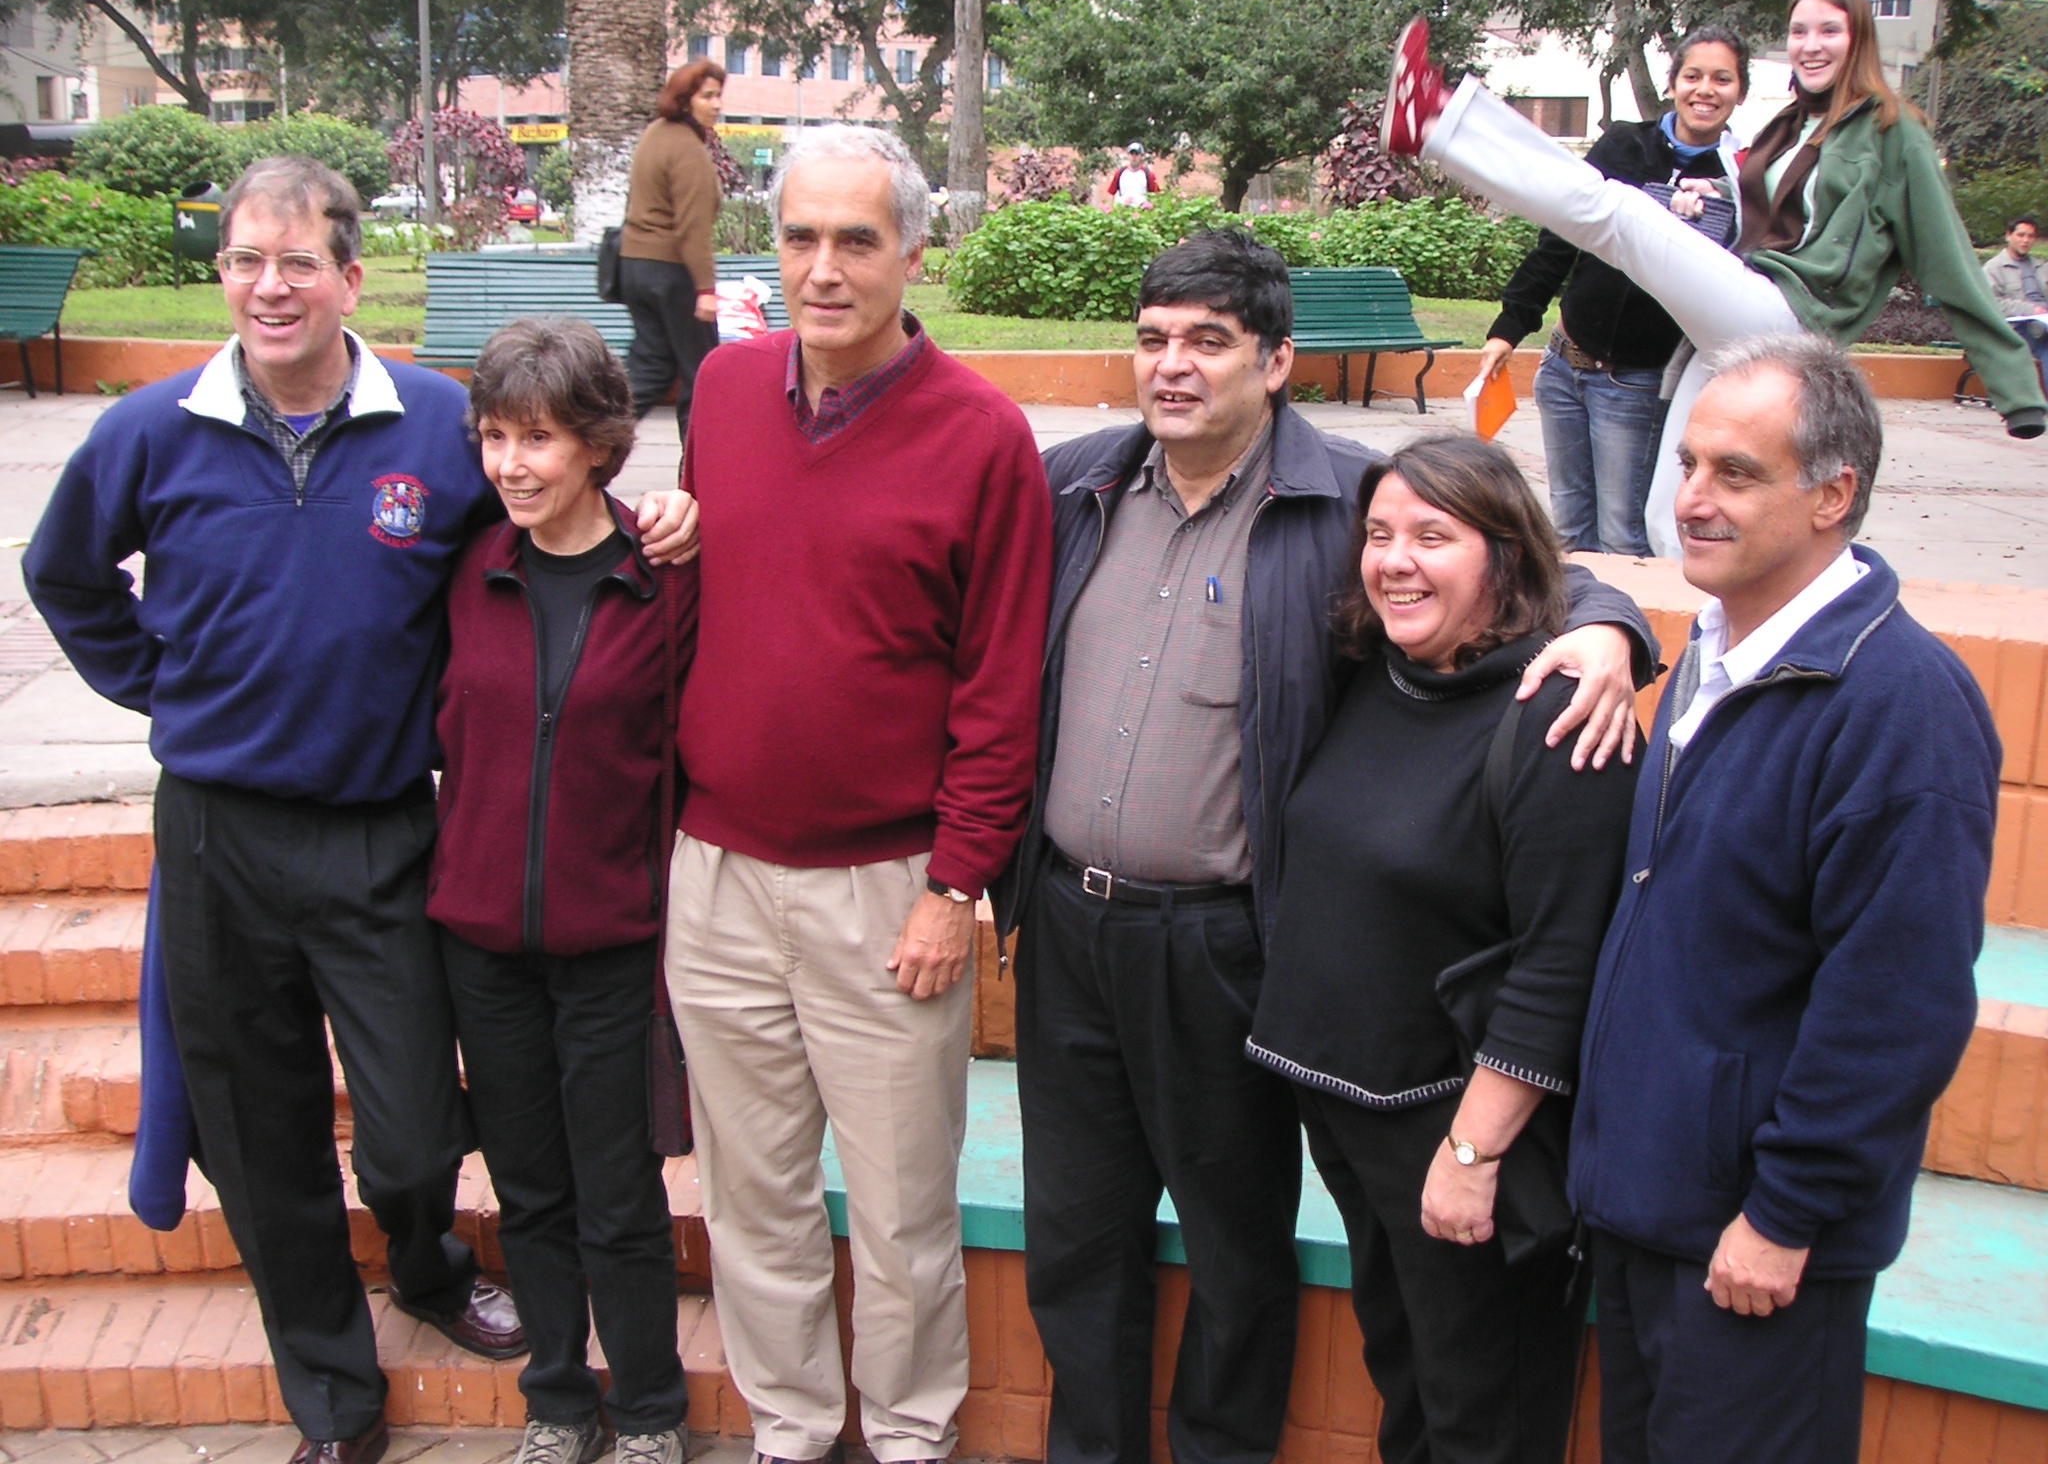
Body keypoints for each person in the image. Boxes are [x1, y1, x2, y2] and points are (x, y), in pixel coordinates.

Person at [22, 155, 696, 1464]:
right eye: (241, 261)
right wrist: (160, 686)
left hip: (387, 833)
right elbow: (67, 575)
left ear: (346, 275)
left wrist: (660, 523)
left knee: (406, 1128)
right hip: (218, 833)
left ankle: (426, 1253)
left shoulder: (438, 427)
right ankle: (332, 1397)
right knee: (256, 1126)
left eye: (296, 262)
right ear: (221, 274)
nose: (268, 287)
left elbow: (545, 517)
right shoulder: (147, 430)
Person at [995, 229, 1657, 1464]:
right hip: (1066, 932)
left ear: (1277, 360)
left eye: (1207, 342)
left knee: (1235, 1252)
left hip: (1227, 947)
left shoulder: (1345, 504)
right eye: (1151, 340)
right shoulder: (1070, 485)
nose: (1172, 367)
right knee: (1072, 1239)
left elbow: (1507, 560)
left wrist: (1615, 632)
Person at [665, 123, 1054, 1464]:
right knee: (752, 1195)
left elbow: (1001, 692)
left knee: (898, 1213)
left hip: (893, 892)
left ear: (913, 251)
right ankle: (788, 1430)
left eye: (858, 240)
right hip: (715, 872)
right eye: (800, 236)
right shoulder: (718, 392)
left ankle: (907, 1436)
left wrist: (958, 886)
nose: (824, 268)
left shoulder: (983, 437)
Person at [1568, 333, 1999, 1464]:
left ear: (1831, 493)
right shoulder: (1710, 651)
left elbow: (1895, 1003)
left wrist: (1783, 1213)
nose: (1692, 500)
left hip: (1755, 1246)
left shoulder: (1899, 705)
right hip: (1649, 1209)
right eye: (1688, 465)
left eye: (1735, 473)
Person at [1246, 435, 1640, 1464]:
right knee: (1410, 1385)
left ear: (1501, 557)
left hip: (1458, 1131)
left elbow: (1559, 961)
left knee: (1483, 1412)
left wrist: (1472, 1155)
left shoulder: (1557, 715)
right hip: (1352, 1112)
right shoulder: (1374, 668)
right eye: (1377, 535)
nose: (1393, 560)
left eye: (1432, 535)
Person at [1381, 0, 2047, 559]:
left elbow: (1951, 262)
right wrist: (1715, 202)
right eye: (1799, 31)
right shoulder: (1793, 128)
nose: (1811, 43)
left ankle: (1435, 119)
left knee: (1618, 211)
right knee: (1672, 512)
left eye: (1829, 30)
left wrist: (2016, 388)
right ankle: (1694, 655)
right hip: (1735, 331)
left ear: (1860, 39)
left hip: (1791, 320)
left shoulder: (1892, 133)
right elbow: (1779, 221)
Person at [430, 320, 699, 1464]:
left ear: (596, 444)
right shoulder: (467, 568)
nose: (511, 464)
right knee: (527, 1190)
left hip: (610, 943)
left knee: (617, 1194)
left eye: (536, 438)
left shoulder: (664, 575)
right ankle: (556, 1399)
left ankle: (645, 1408)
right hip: (482, 942)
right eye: (494, 437)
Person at [1476, 28, 1748, 556]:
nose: (1705, 90)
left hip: (1636, 386)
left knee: (1624, 536)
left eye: (1722, 78)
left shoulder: (1739, 180)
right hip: (1563, 368)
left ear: (1739, 90)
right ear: (1672, 84)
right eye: (1692, 76)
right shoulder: (1625, 145)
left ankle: (1627, 637)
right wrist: (1511, 325)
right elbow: (1561, 233)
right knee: (1570, 535)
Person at [621, 58, 727, 438]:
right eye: (707, 96)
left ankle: (593, 435)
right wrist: (705, 290)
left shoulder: (655, 134)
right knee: (701, 373)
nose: (716, 105)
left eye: (719, 96)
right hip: (671, 274)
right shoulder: (687, 150)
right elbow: (693, 230)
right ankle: (698, 470)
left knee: (652, 365)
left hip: (636, 268)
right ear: (685, 100)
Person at [1985, 214, 2048, 393]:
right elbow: (1992, 303)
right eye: (2021, 235)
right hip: (2017, 327)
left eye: (2030, 236)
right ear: (2008, 236)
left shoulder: (2040, 267)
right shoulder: (1994, 268)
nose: (2026, 240)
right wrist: (2031, 309)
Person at [1110, 143, 1159, 207]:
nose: (1134, 157)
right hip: (1123, 211)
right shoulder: (1119, 173)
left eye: (1137, 154)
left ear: (1141, 156)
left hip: (1142, 211)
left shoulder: (1148, 174)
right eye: (1131, 154)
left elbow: (1156, 195)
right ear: (1128, 155)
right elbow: (1112, 193)